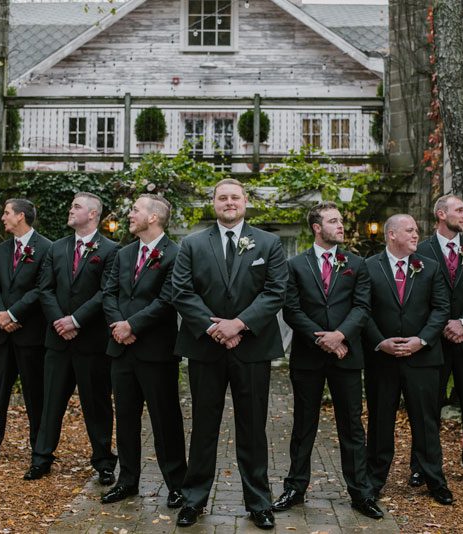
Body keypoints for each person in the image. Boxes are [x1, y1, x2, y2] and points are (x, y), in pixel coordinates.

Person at [171, 178, 287, 530]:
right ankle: (193, 500)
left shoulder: (269, 242)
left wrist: (238, 325)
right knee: (204, 427)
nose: (229, 202)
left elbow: (275, 291)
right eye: (222, 197)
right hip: (205, 349)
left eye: (235, 196)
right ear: (214, 203)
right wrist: (215, 328)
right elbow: (182, 291)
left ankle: (259, 502)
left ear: (245, 201)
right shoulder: (191, 243)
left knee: (253, 427)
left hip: (252, 348)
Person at [272, 202, 381, 519]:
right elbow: (291, 310)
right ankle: (295, 488)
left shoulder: (357, 264)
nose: (341, 225)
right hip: (308, 357)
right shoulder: (295, 265)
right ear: (316, 228)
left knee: (352, 427)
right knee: (304, 425)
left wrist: (340, 336)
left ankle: (360, 493)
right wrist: (324, 339)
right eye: (334, 221)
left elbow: (362, 307)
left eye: (341, 220)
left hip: (347, 355)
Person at [23, 192, 119, 483]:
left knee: (97, 404)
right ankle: (41, 458)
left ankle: (103, 462)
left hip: (91, 342)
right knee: (50, 401)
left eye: (76, 207)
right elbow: (45, 288)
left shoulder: (112, 250)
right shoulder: (56, 248)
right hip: (58, 340)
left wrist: (76, 320)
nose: (70, 210)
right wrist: (59, 321)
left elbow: (107, 292)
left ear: (92, 214)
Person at [101, 195, 187, 508]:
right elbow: (108, 293)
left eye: (136, 210)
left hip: (156, 352)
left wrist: (132, 326)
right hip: (121, 350)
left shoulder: (176, 255)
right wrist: (118, 326)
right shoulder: (123, 254)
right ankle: (127, 481)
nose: (130, 214)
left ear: (153, 218)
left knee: (166, 420)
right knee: (125, 418)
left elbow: (167, 301)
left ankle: (177, 484)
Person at [361, 214, 453, 506]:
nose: (417, 235)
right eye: (410, 230)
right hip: (383, 360)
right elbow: (363, 309)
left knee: (426, 422)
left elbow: (441, 309)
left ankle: (434, 480)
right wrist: (380, 342)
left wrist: (420, 340)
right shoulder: (369, 267)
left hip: (422, 359)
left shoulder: (430, 267)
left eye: (416, 230)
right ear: (391, 235)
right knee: (379, 422)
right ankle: (374, 481)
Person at [408, 195, 463, 490]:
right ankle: (421, 466)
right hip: (434, 342)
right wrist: (442, 324)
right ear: (441, 214)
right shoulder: (420, 250)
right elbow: (416, 296)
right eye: (460, 210)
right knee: (427, 406)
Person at [0, 199, 52, 464]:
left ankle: (39, 450)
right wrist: (0, 315)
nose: (2, 217)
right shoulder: (1, 251)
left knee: (35, 394)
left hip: (31, 334)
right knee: (0, 390)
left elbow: (42, 289)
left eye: (6, 213)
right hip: (4, 334)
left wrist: (14, 314)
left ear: (20, 216)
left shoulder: (47, 248)